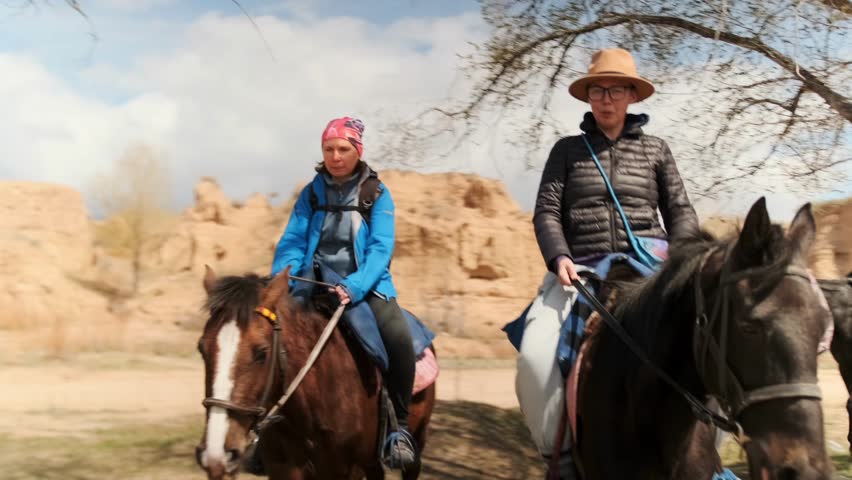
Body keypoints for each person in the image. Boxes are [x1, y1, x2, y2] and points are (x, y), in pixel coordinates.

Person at [516, 48, 700, 479]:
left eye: (616, 89)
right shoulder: (566, 151)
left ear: (632, 96)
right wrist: (558, 256)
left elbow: (680, 210)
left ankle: (708, 456)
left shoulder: (657, 150)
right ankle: (558, 459)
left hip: (650, 267)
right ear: (588, 97)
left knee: (705, 341)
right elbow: (546, 211)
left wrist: (685, 260)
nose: (606, 98)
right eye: (598, 89)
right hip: (580, 271)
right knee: (535, 356)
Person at [271, 117, 418, 470]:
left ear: (358, 151)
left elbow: (381, 249)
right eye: (328, 149)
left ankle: (399, 428)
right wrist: (283, 279)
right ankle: (269, 429)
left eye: (343, 149)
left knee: (399, 339)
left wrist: (354, 286)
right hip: (312, 282)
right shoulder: (311, 193)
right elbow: (292, 240)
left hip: (365, 287)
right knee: (268, 337)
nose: (335, 156)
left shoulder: (376, 194)